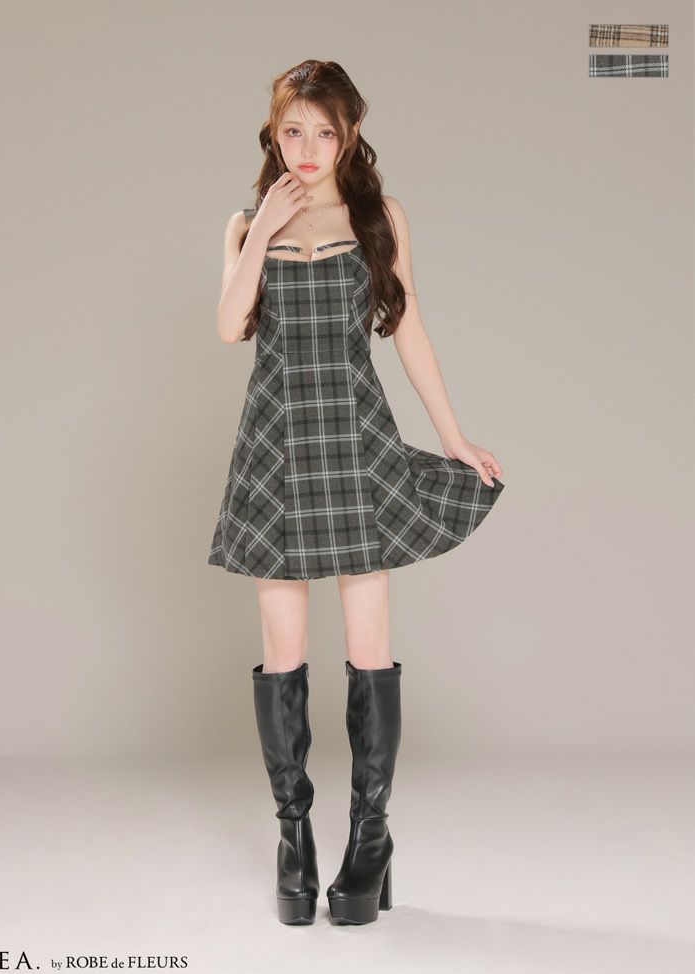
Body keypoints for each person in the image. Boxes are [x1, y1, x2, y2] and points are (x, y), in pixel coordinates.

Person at [207, 59, 505, 925]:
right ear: (275, 134)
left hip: (356, 439)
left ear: (349, 135)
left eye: (325, 132)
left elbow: (407, 326)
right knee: (283, 648)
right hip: (274, 445)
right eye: (293, 131)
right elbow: (228, 326)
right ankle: (293, 838)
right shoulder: (246, 222)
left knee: (370, 644)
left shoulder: (379, 217)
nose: (308, 149)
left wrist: (452, 435)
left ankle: (370, 837)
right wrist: (261, 232)